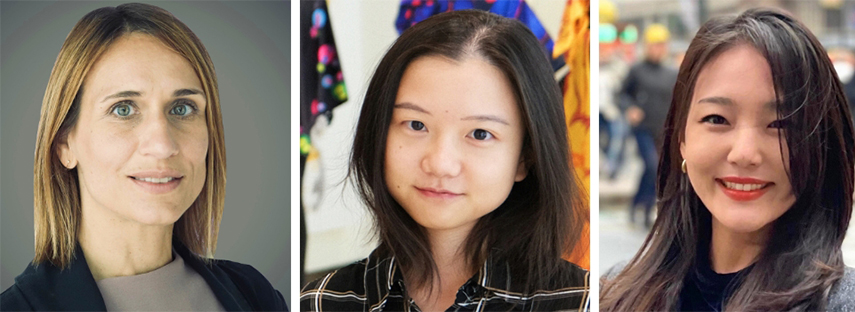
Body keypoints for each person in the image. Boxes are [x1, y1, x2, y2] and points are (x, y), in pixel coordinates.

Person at [600, 8, 855, 311]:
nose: (744, 154)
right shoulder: (615, 294)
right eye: (717, 118)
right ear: (681, 139)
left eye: (781, 124)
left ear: (822, 145)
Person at [0, 3, 287, 311]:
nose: (163, 145)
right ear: (64, 144)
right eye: (123, 109)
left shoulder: (256, 295)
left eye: (182, 108)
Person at [300, 10, 589, 312]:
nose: (440, 163)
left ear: (525, 157)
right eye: (415, 125)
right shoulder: (320, 302)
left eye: (480, 133)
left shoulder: (580, 302)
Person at [618, 23, 678, 227]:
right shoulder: (637, 70)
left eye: (662, 45)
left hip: (663, 129)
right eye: (655, 45)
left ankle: (643, 205)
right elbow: (622, 94)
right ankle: (641, 204)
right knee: (652, 165)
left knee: (658, 170)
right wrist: (630, 108)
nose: (658, 49)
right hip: (642, 127)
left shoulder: (671, 74)